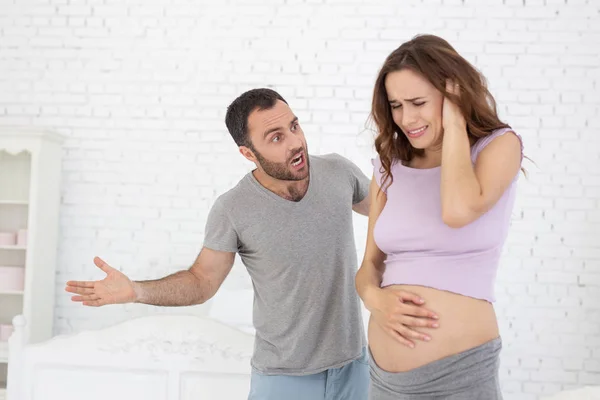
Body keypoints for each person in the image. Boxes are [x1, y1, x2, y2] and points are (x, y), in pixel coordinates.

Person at [65, 88, 438, 400]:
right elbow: (201, 281)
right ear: (248, 153)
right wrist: (135, 290)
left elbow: (390, 212)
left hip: (355, 367)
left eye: (294, 126)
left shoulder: (338, 172)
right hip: (283, 379)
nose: (295, 142)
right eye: (276, 137)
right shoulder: (233, 208)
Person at [355, 34, 524, 399]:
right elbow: (369, 265)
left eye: (418, 102)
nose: (406, 118)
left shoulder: (498, 146)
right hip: (384, 380)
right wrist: (376, 299)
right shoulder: (389, 166)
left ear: (453, 96)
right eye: (396, 105)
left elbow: (458, 210)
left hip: (458, 376)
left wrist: (456, 124)